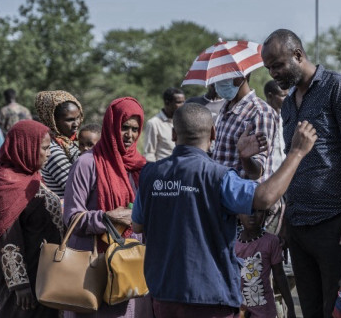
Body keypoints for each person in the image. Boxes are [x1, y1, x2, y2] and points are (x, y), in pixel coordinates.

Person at [131, 103, 317, 318]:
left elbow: (138, 224)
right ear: (213, 133)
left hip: (164, 293)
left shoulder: (150, 174)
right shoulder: (218, 176)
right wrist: (296, 153)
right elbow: (265, 198)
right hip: (210, 295)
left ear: (173, 134)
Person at [261, 29, 341, 318]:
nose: (274, 73)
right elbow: (291, 164)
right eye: (269, 68)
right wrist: (286, 221)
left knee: (338, 310)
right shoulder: (287, 104)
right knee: (310, 310)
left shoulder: (340, 88)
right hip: (298, 226)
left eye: (278, 65)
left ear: (298, 55)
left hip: (335, 226)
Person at [63, 97, 151, 318]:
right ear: (111, 126)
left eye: (134, 128)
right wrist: (106, 218)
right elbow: (71, 217)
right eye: (123, 127)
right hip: (93, 269)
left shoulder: (142, 167)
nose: (129, 135)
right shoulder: (87, 163)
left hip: (129, 268)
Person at [0, 120, 61, 318]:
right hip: (25, 279)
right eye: (44, 148)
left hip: (44, 270)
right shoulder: (5, 184)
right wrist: (20, 284)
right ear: (26, 147)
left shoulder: (32, 175)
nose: (49, 152)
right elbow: (7, 237)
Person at [212, 72, 277, 181]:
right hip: (221, 192)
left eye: (223, 77)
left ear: (242, 76)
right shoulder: (226, 107)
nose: (218, 83)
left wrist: (245, 158)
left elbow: (257, 172)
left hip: (243, 195)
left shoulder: (260, 112)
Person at [236, 211, 296, 318]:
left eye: (257, 211)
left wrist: (291, 307)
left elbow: (279, 275)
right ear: (238, 214)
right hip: (239, 309)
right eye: (246, 210)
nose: (252, 215)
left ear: (266, 214)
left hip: (265, 311)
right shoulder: (232, 242)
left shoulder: (271, 241)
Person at [35, 91, 83, 198]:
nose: (76, 124)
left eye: (78, 117)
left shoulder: (68, 142)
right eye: (69, 120)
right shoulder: (53, 149)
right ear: (53, 120)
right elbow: (74, 188)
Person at [263, 79, 289, 234]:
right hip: (270, 179)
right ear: (271, 96)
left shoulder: (287, 116)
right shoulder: (263, 117)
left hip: (287, 176)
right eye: (282, 96)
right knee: (271, 224)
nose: (286, 99)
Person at [143, 87, 185, 162]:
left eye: (183, 102)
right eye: (179, 102)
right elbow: (149, 154)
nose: (182, 105)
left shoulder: (183, 121)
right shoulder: (154, 123)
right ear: (167, 103)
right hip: (163, 170)